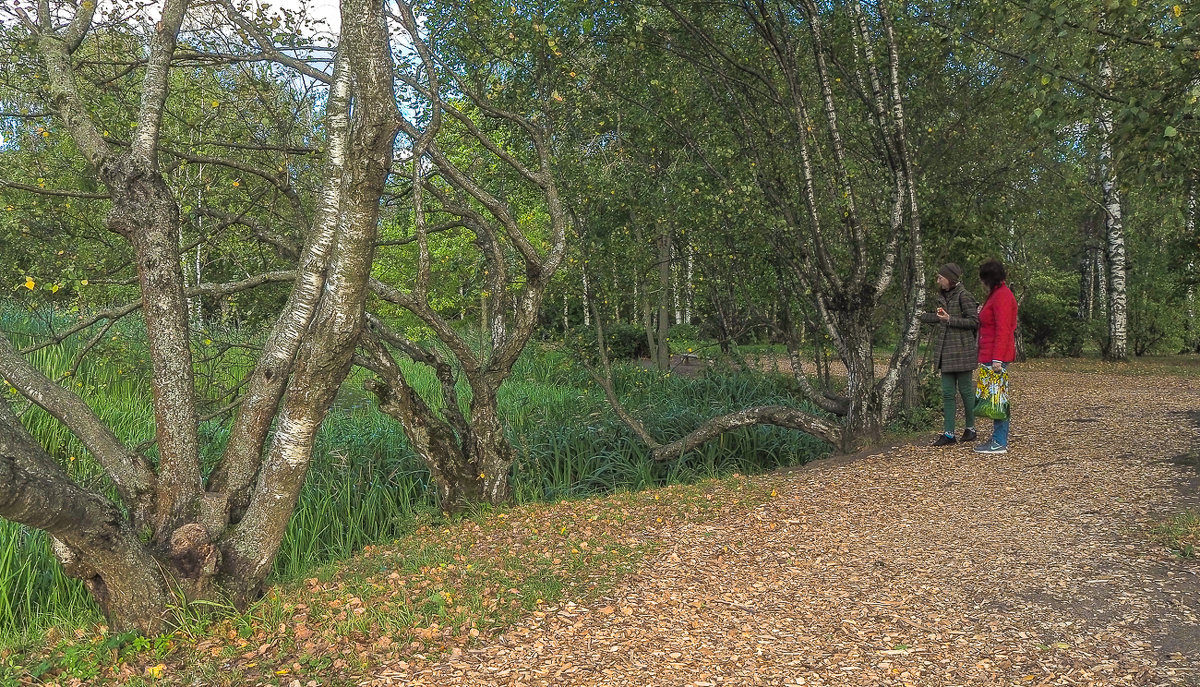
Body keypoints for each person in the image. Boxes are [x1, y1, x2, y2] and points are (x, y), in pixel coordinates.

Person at [918, 263, 980, 446]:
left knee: (966, 392)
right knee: (947, 393)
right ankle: (949, 433)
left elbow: (974, 322)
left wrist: (950, 319)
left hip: (962, 351)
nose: (938, 280)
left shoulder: (964, 296)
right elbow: (939, 319)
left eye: (940, 277)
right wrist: (920, 316)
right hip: (945, 353)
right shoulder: (943, 297)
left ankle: (970, 429)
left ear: (950, 278)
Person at [974, 258, 1018, 454]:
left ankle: (1000, 441)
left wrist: (997, 359)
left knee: (998, 399)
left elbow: (1003, 329)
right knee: (993, 398)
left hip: (995, 355)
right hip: (990, 353)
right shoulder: (996, 295)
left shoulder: (1002, 297)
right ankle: (997, 438)